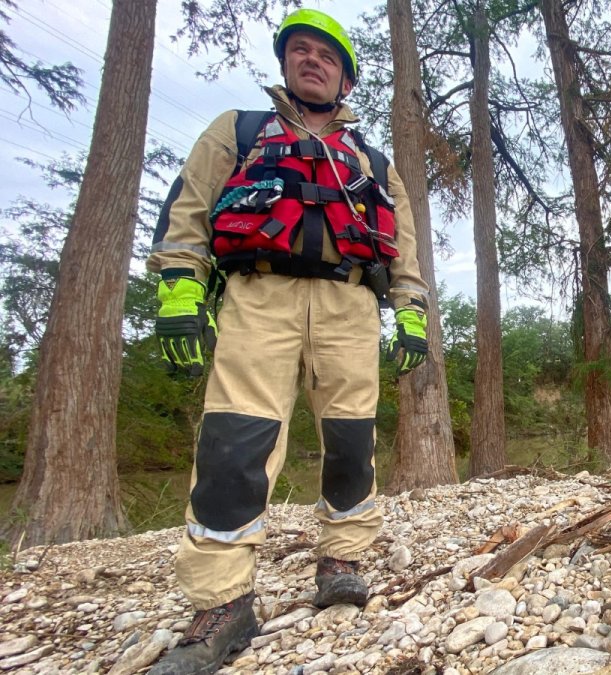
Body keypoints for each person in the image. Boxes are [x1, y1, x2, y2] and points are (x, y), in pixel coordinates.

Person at [146, 9, 430, 674]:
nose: (312, 60)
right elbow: (186, 212)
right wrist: (180, 291)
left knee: (352, 438)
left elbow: (405, 247)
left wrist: (411, 312)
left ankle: (342, 556)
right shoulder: (238, 132)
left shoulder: (373, 161)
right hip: (259, 295)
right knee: (233, 440)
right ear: (284, 63)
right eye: (300, 50)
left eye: (326, 55)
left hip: (349, 300)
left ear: (346, 77)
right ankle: (222, 600)